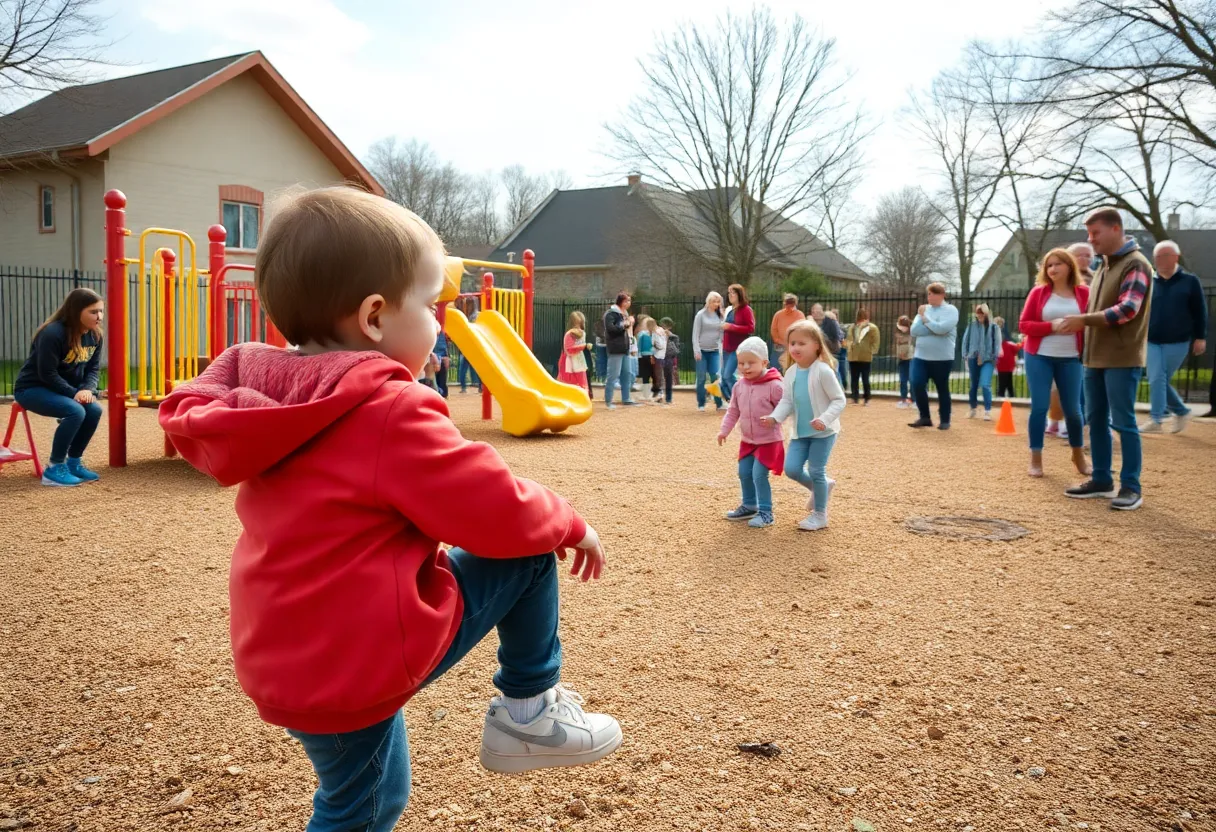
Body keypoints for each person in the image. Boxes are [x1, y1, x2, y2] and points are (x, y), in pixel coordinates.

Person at [158, 187, 621, 831]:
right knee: (531, 555)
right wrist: (571, 521)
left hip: (289, 650)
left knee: (362, 792)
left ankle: (526, 714)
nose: (441, 322)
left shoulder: (275, 396)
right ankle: (528, 714)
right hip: (354, 657)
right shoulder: (386, 408)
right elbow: (490, 505)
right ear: (374, 317)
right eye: (433, 305)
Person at [1058, 207, 1153, 511]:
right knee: (1095, 419)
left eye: (1095, 233)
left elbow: (1128, 310)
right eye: (1089, 233)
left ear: (1115, 229)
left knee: (1124, 423)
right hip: (1094, 358)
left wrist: (1082, 320)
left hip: (1122, 358)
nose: (1091, 240)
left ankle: (1131, 486)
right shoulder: (1104, 266)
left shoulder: (1136, 264)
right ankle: (1101, 479)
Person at [12, 287, 105, 487]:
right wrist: (75, 394)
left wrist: (88, 389)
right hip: (32, 388)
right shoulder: (52, 333)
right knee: (75, 411)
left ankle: (73, 463)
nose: (99, 316)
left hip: (63, 389)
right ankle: (54, 469)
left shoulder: (95, 336)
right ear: (75, 311)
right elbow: (47, 373)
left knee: (94, 409)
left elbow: (93, 369)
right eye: (93, 312)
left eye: (100, 311)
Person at [762, 319, 846, 531]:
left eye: (802, 343)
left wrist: (824, 419)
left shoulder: (823, 371)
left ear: (816, 345)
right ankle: (823, 487)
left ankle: (820, 514)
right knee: (791, 469)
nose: (795, 348)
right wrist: (775, 417)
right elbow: (787, 401)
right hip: (801, 432)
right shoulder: (790, 373)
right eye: (792, 343)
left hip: (824, 432)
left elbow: (839, 400)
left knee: (816, 470)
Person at [1018, 248, 1092, 478]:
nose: (1052, 269)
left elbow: (1092, 323)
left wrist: (1081, 325)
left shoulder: (1084, 293)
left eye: (1058, 264)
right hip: (1039, 356)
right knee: (1040, 407)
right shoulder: (1038, 293)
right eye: (1049, 265)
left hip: (1071, 358)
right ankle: (1036, 458)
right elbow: (1024, 325)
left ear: (1069, 266)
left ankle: (1078, 455)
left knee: (1073, 410)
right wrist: (1050, 326)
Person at [717, 336, 786, 529]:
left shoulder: (774, 385)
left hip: (769, 440)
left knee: (758, 474)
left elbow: (786, 406)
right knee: (744, 472)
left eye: (751, 363)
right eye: (741, 363)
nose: (745, 367)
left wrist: (775, 418)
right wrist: (724, 430)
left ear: (764, 362)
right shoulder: (739, 386)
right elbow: (733, 411)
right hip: (748, 439)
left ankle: (766, 512)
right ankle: (749, 505)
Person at [1142, 240, 1207, 434]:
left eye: (1165, 256)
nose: (1160, 260)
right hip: (1151, 339)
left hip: (1178, 341)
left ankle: (1179, 411)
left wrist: (1200, 337)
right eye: (1157, 257)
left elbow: (1200, 311)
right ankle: (1158, 418)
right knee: (1156, 378)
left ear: (1175, 257)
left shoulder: (1190, 281)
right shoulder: (1149, 281)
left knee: (1159, 379)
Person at [908, 283, 960, 430]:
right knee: (917, 383)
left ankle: (945, 419)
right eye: (928, 294)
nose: (929, 297)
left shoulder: (951, 310)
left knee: (942, 388)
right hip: (921, 357)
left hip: (942, 358)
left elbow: (943, 328)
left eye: (932, 294)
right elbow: (914, 330)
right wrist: (933, 326)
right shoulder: (924, 310)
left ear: (942, 295)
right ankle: (925, 417)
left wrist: (928, 323)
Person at [961, 303, 1001, 420]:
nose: (979, 316)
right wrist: (965, 356)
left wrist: (992, 356)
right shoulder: (972, 325)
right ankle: (973, 408)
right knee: (973, 385)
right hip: (973, 357)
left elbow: (997, 344)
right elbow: (965, 341)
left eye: (982, 313)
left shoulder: (994, 327)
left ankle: (987, 411)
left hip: (988, 359)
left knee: (985, 384)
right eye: (978, 313)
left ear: (987, 314)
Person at [720, 284, 755, 402]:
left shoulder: (746, 309)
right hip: (726, 347)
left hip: (737, 348)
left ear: (739, 294)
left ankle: (743, 397)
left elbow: (750, 328)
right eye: (729, 293)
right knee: (724, 377)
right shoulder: (730, 309)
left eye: (733, 293)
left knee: (727, 375)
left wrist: (731, 327)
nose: (730, 295)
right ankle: (733, 400)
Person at [693, 292, 726, 411]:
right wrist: (696, 350)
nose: (716, 304)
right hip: (702, 350)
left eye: (718, 302)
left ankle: (718, 403)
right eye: (714, 301)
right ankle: (701, 403)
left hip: (715, 350)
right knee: (701, 377)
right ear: (708, 302)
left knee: (715, 376)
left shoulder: (720, 315)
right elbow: (695, 334)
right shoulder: (700, 315)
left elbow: (722, 333)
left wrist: (721, 347)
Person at [603, 293, 637, 409]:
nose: (629, 303)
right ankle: (608, 401)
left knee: (627, 373)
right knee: (613, 375)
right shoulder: (611, 314)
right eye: (627, 301)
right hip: (616, 348)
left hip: (625, 347)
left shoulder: (624, 314)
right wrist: (625, 324)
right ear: (621, 302)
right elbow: (611, 329)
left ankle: (626, 398)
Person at [844, 307, 879, 405]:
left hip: (863, 355)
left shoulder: (871, 327)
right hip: (855, 355)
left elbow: (875, 341)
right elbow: (850, 339)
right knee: (858, 378)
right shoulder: (853, 327)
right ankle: (858, 398)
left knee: (863, 378)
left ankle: (863, 398)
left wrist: (872, 350)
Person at [558, 311, 591, 393]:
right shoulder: (569, 334)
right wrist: (584, 346)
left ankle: (582, 395)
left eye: (580, 324)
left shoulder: (583, 333)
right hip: (570, 361)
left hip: (579, 360)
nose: (578, 327)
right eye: (576, 324)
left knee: (581, 380)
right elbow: (569, 349)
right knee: (570, 381)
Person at [769, 294, 805, 365]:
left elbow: (802, 330)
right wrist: (779, 341)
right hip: (780, 346)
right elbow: (774, 330)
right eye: (787, 304)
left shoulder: (800, 315)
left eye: (791, 304)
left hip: (794, 345)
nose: (789, 306)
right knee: (776, 366)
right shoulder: (778, 315)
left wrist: (793, 343)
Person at [456, 298, 481, 394]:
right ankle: (480, 386)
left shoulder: (469, 316)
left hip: (469, 345)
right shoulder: (477, 315)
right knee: (478, 367)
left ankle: (464, 387)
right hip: (475, 345)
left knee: (463, 367)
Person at [993, 317, 1021, 399]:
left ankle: (1001, 397)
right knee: (1008, 384)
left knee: (1003, 384)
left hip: (1003, 366)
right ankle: (1010, 397)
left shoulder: (1000, 342)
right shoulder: (1006, 342)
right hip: (1007, 366)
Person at [894, 315, 915, 408]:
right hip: (902, 360)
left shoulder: (912, 335)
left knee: (912, 380)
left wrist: (905, 354)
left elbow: (912, 347)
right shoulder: (898, 335)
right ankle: (903, 399)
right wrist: (899, 355)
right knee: (903, 380)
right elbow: (898, 348)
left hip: (910, 359)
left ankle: (914, 399)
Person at [659, 317, 679, 405]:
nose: (665, 327)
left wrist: (669, 337)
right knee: (659, 377)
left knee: (668, 378)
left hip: (668, 358)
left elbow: (676, 350)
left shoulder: (674, 337)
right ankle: (659, 395)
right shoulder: (657, 335)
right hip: (659, 357)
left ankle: (668, 398)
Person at [635, 315, 655, 402]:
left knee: (654, 375)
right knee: (645, 376)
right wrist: (638, 356)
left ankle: (655, 393)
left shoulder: (655, 333)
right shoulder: (641, 334)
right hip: (644, 357)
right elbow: (639, 346)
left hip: (653, 357)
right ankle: (646, 394)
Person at [647, 317, 666, 403]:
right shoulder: (662, 330)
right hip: (662, 355)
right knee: (660, 375)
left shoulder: (655, 332)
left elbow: (655, 345)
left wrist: (652, 355)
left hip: (657, 355)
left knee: (659, 376)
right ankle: (660, 393)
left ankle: (660, 394)